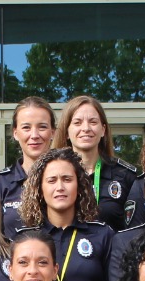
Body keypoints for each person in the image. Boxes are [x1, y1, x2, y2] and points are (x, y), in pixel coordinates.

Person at [15, 148, 115, 281]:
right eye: (52, 180)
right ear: (40, 188)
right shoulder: (24, 238)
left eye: (67, 179)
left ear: (80, 185)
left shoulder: (102, 235)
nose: (60, 187)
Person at [55, 95, 140, 230]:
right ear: (66, 132)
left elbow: (135, 230)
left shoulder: (125, 175)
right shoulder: (52, 175)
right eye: (77, 123)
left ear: (103, 130)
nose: (86, 128)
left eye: (93, 122)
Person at [0, 98, 56, 237]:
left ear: (53, 132)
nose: (34, 135)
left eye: (42, 127)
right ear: (15, 133)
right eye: (26, 127)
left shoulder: (68, 180)